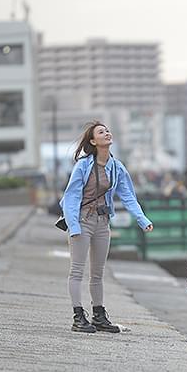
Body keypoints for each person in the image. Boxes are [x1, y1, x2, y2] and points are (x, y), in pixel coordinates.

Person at [59, 121, 153, 333]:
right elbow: (71, 196)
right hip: (82, 220)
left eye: (108, 130)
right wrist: (74, 226)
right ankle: (78, 316)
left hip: (103, 222)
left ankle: (99, 316)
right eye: (101, 132)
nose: (107, 133)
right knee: (77, 270)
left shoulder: (117, 167)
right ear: (93, 141)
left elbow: (128, 195)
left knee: (98, 273)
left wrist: (142, 219)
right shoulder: (83, 166)